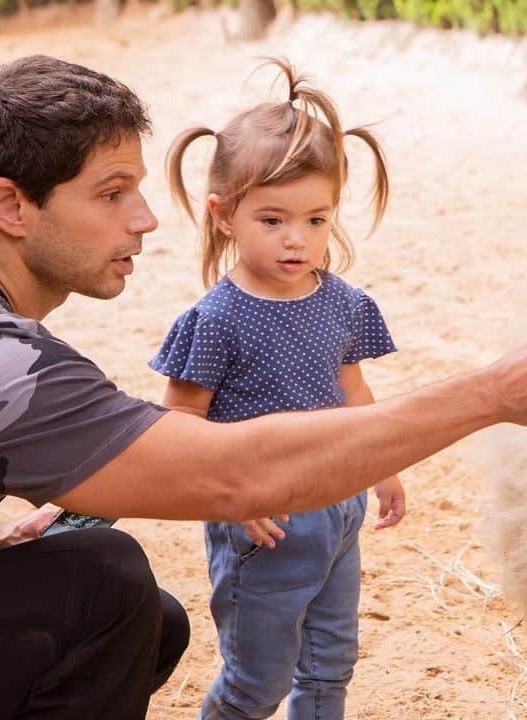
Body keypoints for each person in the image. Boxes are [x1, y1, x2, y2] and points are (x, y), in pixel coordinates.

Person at [0, 55, 527, 720]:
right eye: (111, 191)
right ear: (9, 206)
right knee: (106, 583)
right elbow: (238, 475)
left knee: (150, 622)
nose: (146, 219)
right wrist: (495, 393)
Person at [153, 59, 403, 719]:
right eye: (273, 220)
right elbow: (180, 427)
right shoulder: (215, 320)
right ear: (225, 215)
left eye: (317, 220)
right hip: (261, 525)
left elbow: (352, 388)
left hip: (339, 508)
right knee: (255, 685)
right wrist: (230, 499)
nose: (298, 239)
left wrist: (384, 466)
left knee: (329, 669)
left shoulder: (344, 303)